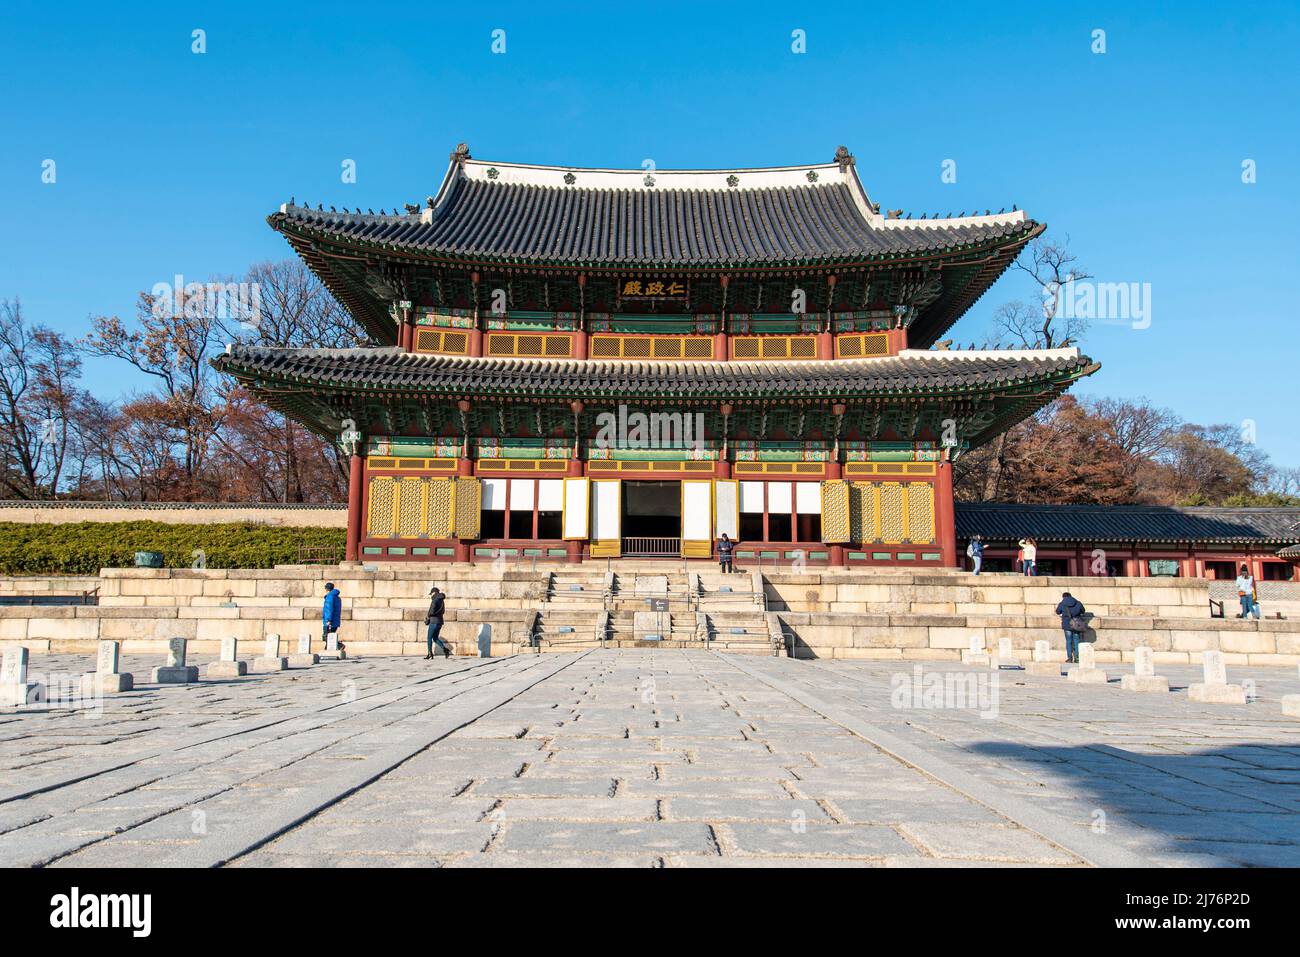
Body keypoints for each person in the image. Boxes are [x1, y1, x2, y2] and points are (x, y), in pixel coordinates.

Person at [1055, 591, 1087, 663]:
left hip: (1067, 625)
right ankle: (1077, 658)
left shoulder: (1062, 604)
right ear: (1071, 596)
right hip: (1076, 625)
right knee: (1076, 641)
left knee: (1068, 641)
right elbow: (1083, 611)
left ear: (1064, 597)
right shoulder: (1078, 603)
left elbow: (1057, 612)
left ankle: (1069, 658)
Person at [424, 586, 450, 659]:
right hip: (440, 622)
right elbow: (443, 611)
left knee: (429, 638)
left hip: (433, 622)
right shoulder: (441, 600)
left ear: (434, 592)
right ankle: (445, 650)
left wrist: (428, 616)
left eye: (431, 593)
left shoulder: (435, 600)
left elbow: (431, 610)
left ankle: (430, 653)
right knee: (435, 638)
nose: (431, 595)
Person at [321, 581, 343, 652]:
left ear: (327, 589)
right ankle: (329, 649)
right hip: (335, 621)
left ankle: (339, 645)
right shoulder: (337, 598)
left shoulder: (329, 597)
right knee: (330, 637)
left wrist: (328, 620)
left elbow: (329, 609)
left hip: (330, 621)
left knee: (326, 636)